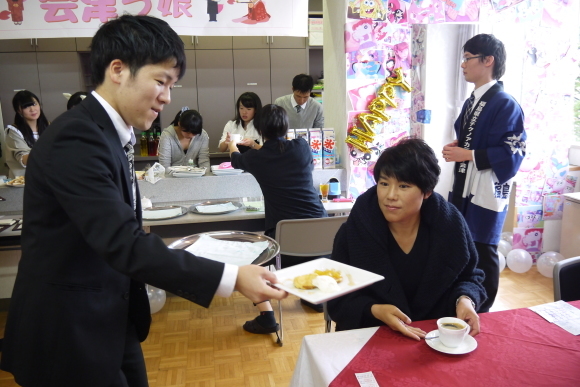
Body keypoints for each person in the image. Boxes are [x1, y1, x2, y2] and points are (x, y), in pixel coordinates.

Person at [0, 15, 286, 387]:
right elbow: (121, 241)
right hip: (69, 329)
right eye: (161, 81)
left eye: (172, 84)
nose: (168, 96)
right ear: (118, 70)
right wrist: (231, 277)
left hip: (110, 314)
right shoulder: (77, 137)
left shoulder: (109, 132)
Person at [327, 138, 486, 339]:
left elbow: (470, 276)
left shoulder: (450, 226)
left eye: (403, 186)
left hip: (434, 338)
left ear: (426, 191)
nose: (390, 195)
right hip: (371, 338)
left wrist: (464, 300)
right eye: (384, 183)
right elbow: (336, 299)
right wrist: (375, 310)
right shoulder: (354, 231)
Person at [442, 34, 526, 313]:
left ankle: (484, 310)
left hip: (486, 187)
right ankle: (462, 301)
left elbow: (514, 150)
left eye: (468, 59)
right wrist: (460, 146)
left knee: (484, 247)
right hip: (464, 182)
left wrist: (469, 154)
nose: (463, 65)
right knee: (461, 242)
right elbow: (472, 138)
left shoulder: (505, 102)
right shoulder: (472, 101)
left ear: (488, 60)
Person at [228, 104, 328, 334]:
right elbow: (281, 154)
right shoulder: (302, 147)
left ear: (260, 129)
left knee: (250, 256)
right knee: (305, 243)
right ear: (286, 125)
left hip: (285, 249)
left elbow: (235, 158)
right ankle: (316, 298)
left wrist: (232, 142)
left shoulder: (257, 158)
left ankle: (267, 317)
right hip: (322, 241)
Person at [4, 90, 49, 178]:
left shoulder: (49, 127)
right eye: (26, 106)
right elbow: (23, 159)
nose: (32, 109)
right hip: (24, 181)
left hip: (47, 179)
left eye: (34, 104)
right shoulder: (14, 131)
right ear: (19, 110)